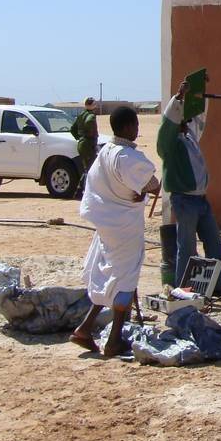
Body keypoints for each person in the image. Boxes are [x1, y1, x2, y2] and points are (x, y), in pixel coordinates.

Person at [71, 105, 160, 357]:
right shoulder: (126, 156)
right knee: (125, 278)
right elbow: (152, 184)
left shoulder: (105, 152)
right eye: (135, 125)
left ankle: (85, 329)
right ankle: (113, 340)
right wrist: (143, 189)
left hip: (107, 223)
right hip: (124, 226)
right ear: (127, 127)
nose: (137, 130)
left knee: (110, 276)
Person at [157, 77, 221, 296]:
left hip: (200, 200)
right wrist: (179, 96)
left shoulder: (189, 136)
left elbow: (199, 117)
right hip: (184, 200)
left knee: (214, 243)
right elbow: (168, 121)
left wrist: (199, 91)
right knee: (186, 247)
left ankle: (216, 287)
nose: (186, 119)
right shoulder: (170, 143)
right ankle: (181, 291)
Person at [70, 97, 100, 197]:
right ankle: (82, 190)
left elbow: (72, 129)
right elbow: (89, 122)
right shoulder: (91, 115)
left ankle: (82, 190)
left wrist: (80, 137)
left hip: (82, 143)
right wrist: (89, 134)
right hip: (88, 144)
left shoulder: (81, 115)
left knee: (86, 168)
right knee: (90, 169)